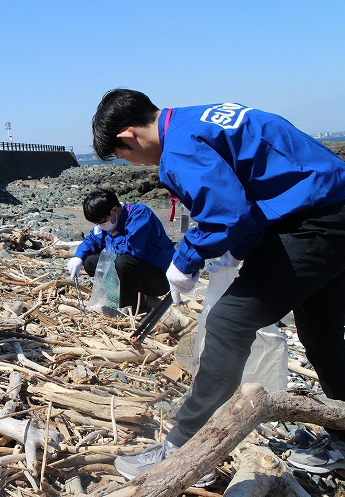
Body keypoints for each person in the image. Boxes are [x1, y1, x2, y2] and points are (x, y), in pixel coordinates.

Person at [93, 89, 345, 483]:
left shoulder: (178, 147)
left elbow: (225, 212)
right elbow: (253, 188)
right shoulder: (199, 118)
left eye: (123, 156)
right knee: (322, 333)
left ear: (128, 137)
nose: (131, 162)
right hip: (331, 206)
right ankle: (343, 440)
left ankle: (186, 447)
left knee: (228, 323)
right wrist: (236, 250)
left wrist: (187, 259)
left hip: (313, 223)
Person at [66, 188, 172, 313]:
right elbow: (92, 239)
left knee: (124, 262)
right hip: (129, 274)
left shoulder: (140, 215)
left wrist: (116, 236)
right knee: (90, 261)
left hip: (158, 277)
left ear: (114, 210)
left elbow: (133, 250)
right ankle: (117, 297)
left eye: (101, 222)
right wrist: (78, 257)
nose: (101, 226)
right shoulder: (110, 222)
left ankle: (136, 310)